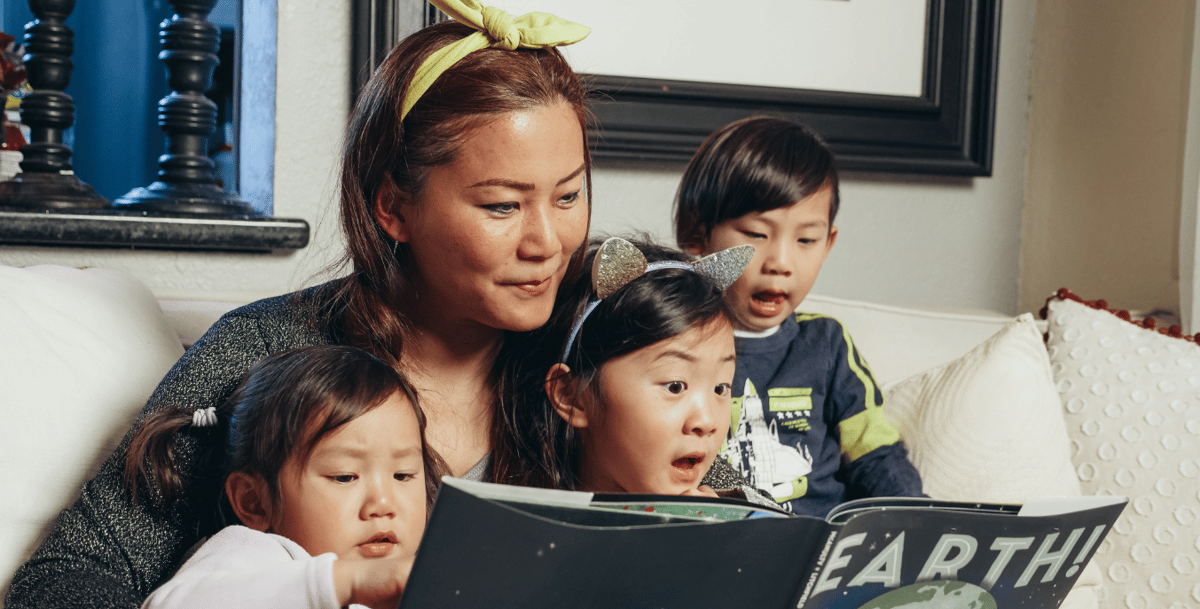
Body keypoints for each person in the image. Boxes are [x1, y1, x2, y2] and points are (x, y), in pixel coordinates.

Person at [5, 1, 593, 607]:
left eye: (569, 195)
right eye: (502, 206)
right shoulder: (264, 353)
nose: (548, 243)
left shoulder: (599, 353)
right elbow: (63, 580)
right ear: (392, 207)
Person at [673, 116, 924, 517]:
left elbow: (874, 453)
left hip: (822, 543)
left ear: (828, 244)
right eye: (756, 234)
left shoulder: (826, 343)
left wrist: (916, 517)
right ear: (697, 234)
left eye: (806, 240)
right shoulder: (674, 342)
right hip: (726, 539)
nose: (781, 263)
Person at [132, 346, 444, 609]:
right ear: (255, 502)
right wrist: (346, 582)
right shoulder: (260, 557)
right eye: (345, 477)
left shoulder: (421, 578)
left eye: (403, 475)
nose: (383, 504)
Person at [500, 236, 773, 504]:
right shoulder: (520, 510)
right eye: (675, 386)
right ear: (572, 396)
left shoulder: (732, 501)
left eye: (720, 388)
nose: (707, 422)